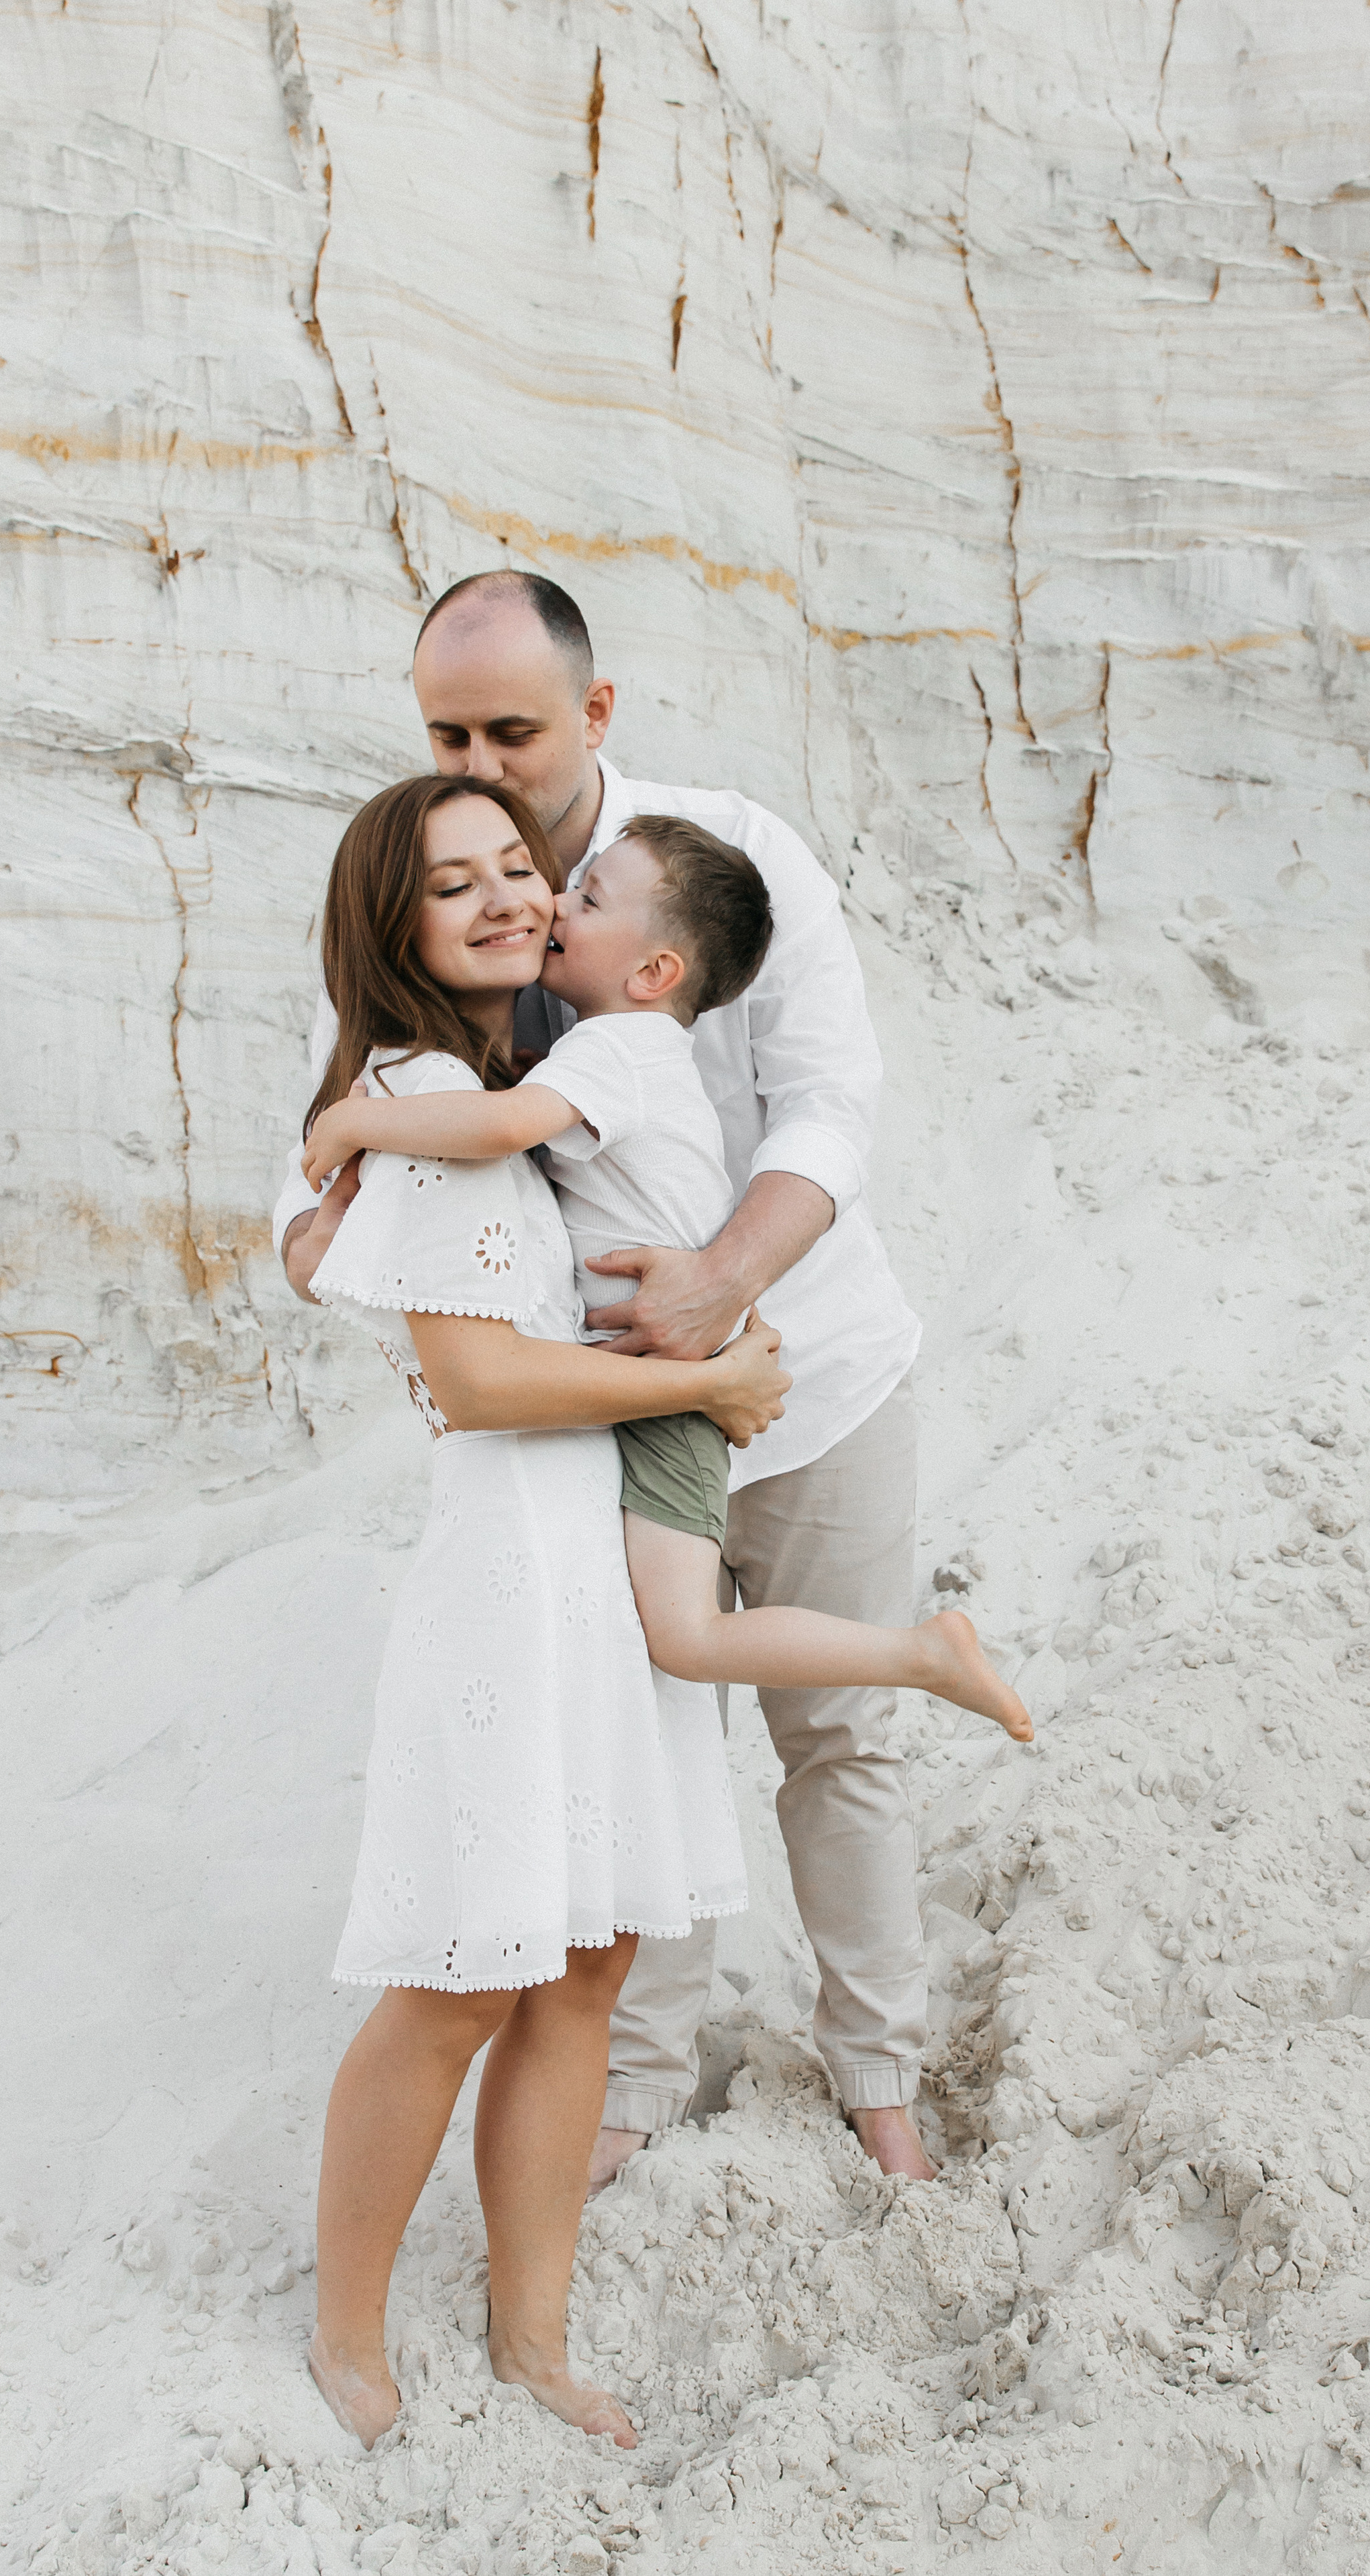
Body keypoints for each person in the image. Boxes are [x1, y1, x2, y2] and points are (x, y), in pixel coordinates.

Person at [277, 569, 937, 2187]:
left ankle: (880, 2074)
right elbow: (336, 1129)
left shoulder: (718, 858)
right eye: (448, 734)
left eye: (511, 731)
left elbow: (831, 1101)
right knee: (645, 1745)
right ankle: (636, 2082)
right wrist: (327, 1236)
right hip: (607, 1426)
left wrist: (725, 1284)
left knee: (838, 1740)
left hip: (814, 1371)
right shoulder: (446, 894)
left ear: (594, 712)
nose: (481, 765)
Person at [299, 772, 789, 2453]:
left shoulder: (534, 1087)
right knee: (460, 1974)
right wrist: (709, 1380)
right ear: (394, 926)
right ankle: (348, 2329)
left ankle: (532, 2334)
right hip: (511, 1571)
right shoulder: (426, 1096)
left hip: (606, 1563)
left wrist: (717, 1351)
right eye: (456, 885)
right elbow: (483, 1382)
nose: (510, 897)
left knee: (583, 1972)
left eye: (520, 864)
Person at [302, 810, 1033, 1743]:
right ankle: (913, 1655)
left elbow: (499, 1127)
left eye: (588, 897)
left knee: (685, 1637)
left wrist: (355, 1122)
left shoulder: (616, 1050)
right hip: (661, 1382)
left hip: (673, 1400)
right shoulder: (613, 1054)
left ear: (652, 974)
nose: (556, 901)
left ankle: (919, 1655)